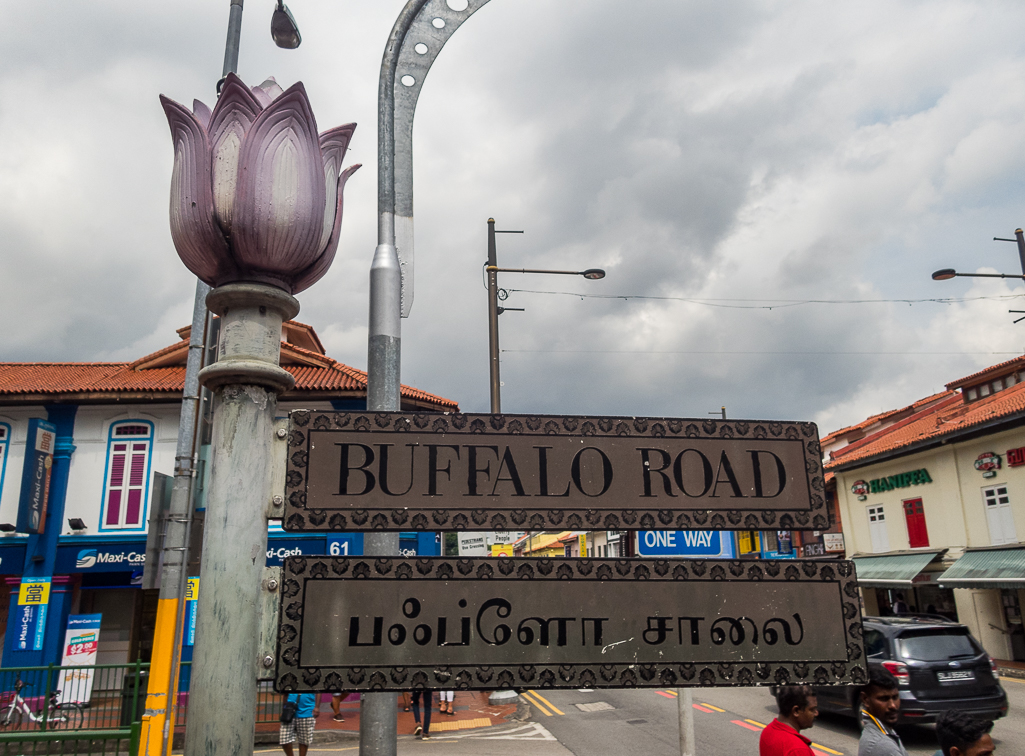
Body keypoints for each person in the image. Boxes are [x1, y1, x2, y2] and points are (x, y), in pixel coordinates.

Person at [858, 668, 908, 756]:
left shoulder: (885, 732)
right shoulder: (883, 746)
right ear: (865, 699)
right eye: (884, 699)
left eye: (895, 697)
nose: (892, 705)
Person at [759, 685, 819, 756]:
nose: (816, 713)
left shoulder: (768, 731)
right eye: (812, 709)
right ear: (796, 711)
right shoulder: (798, 750)